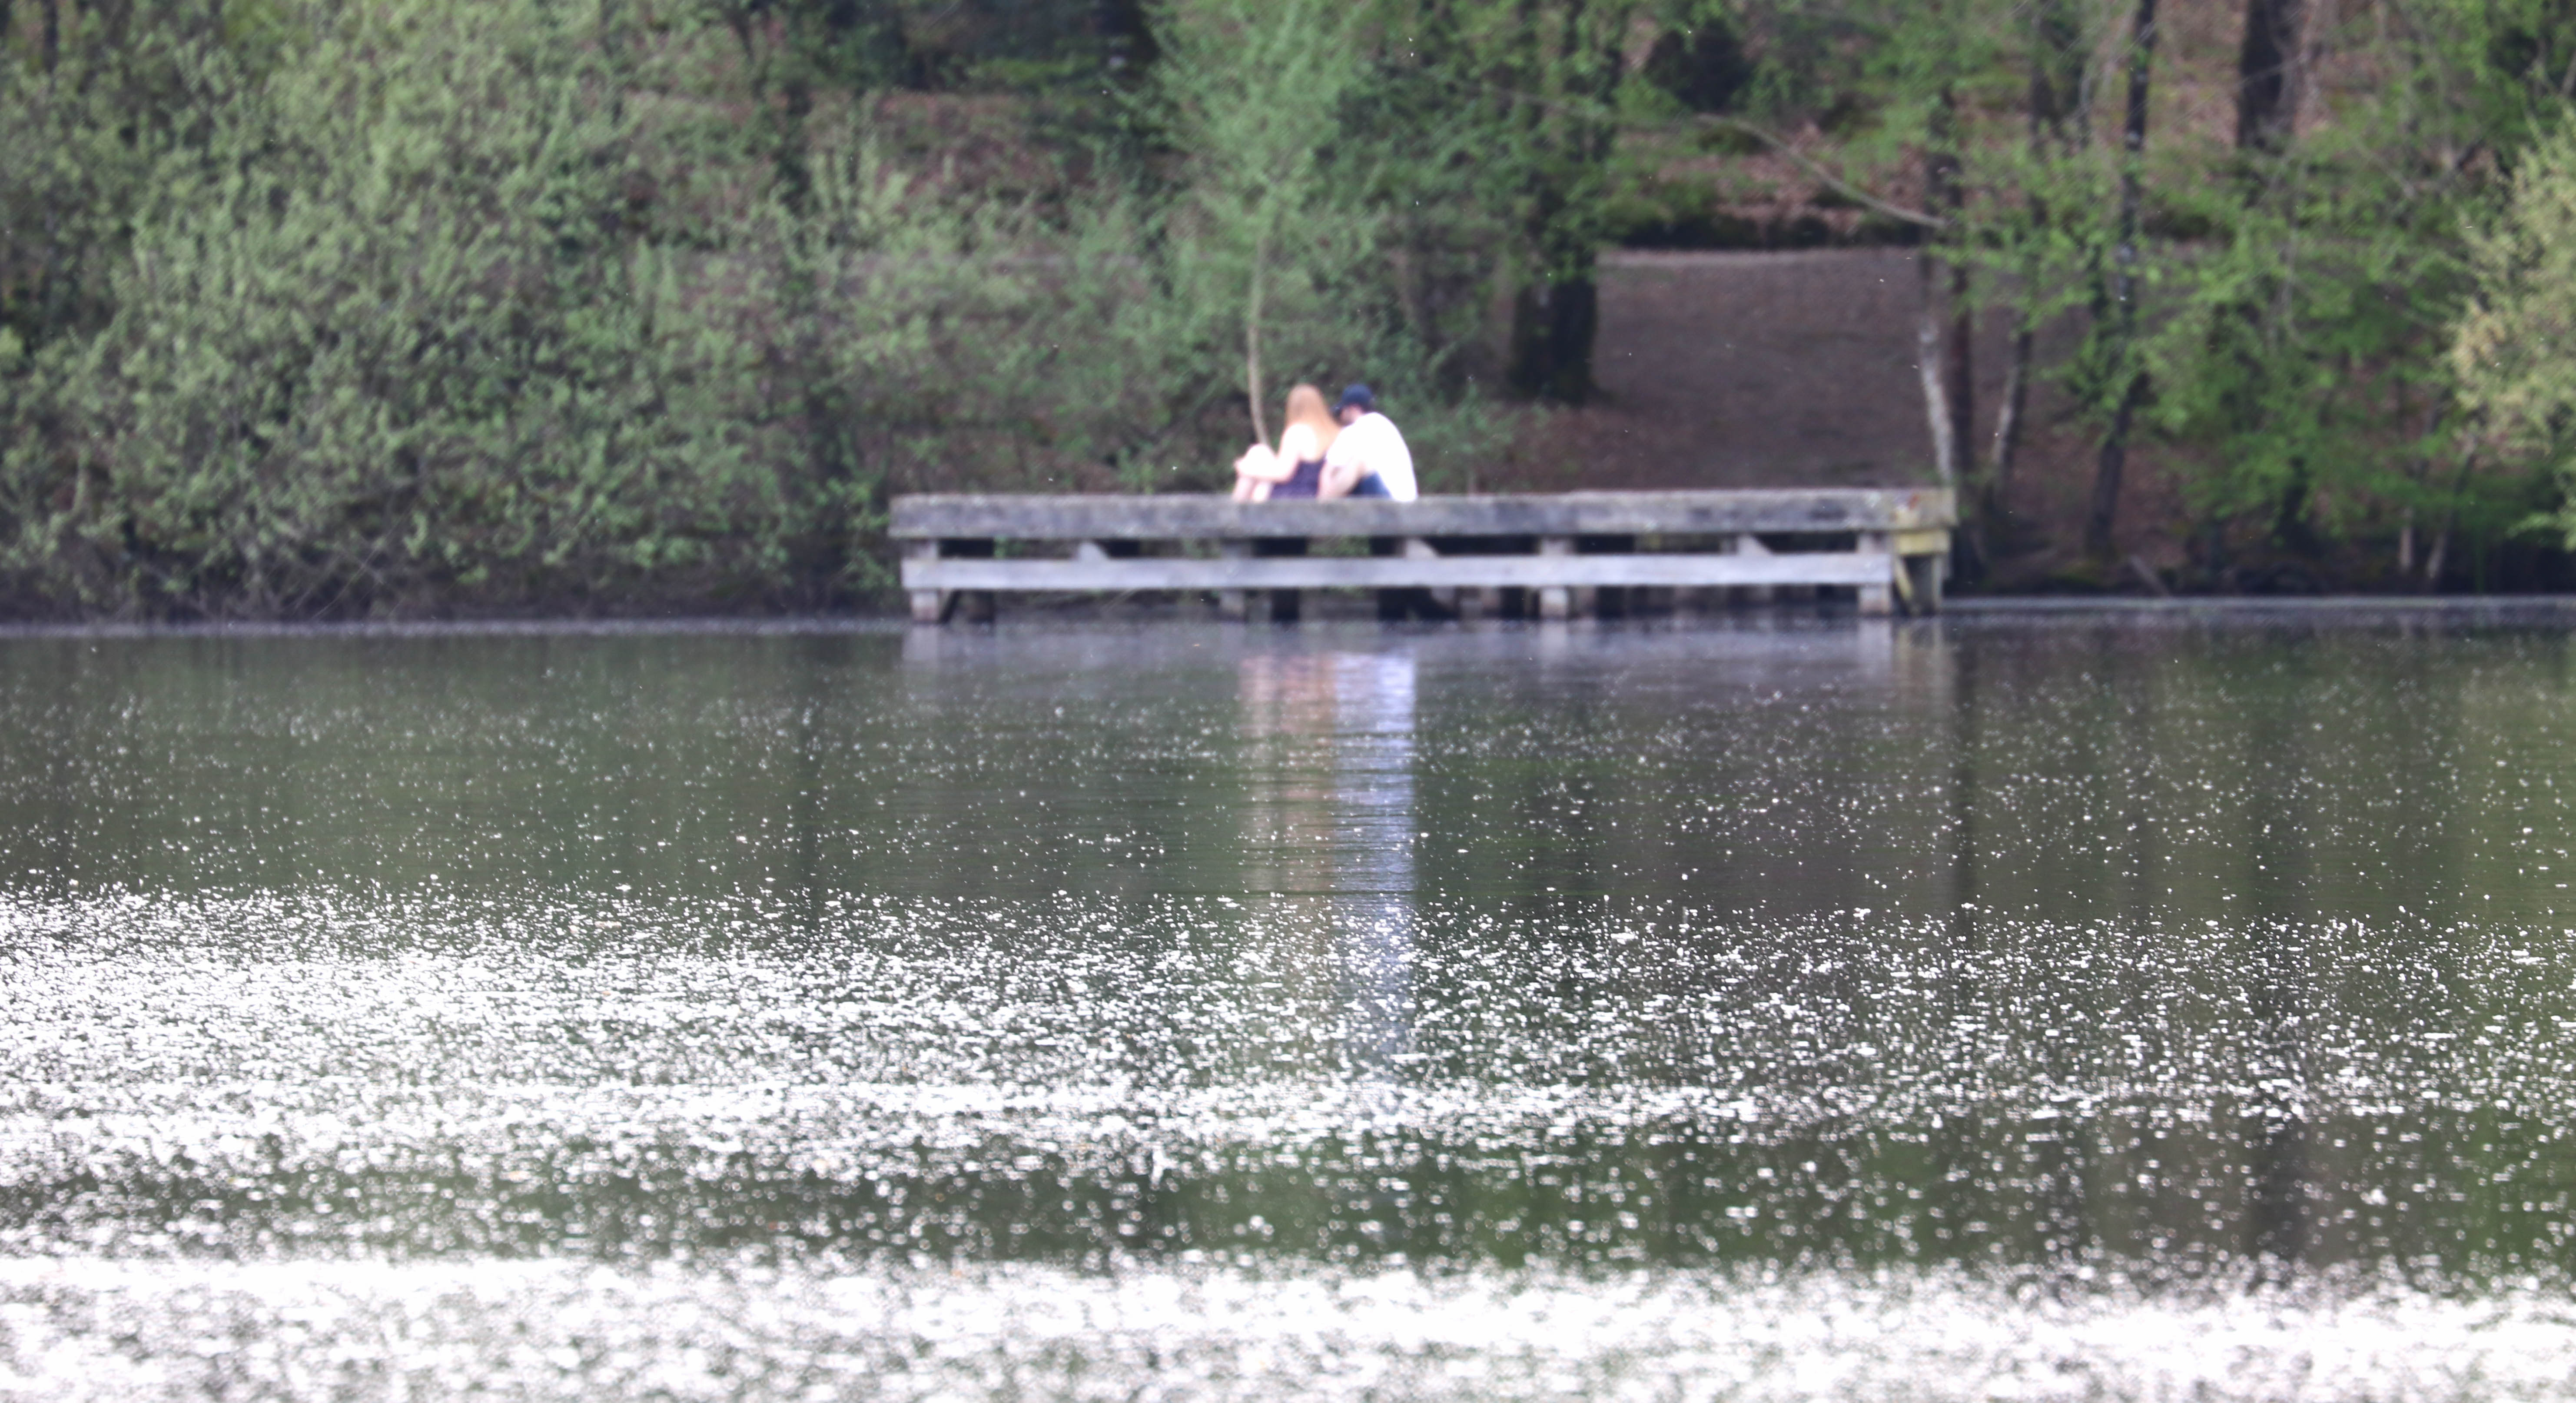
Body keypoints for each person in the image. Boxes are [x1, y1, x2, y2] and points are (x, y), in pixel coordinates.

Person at [1232, 385, 1340, 502]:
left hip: (1291, 497)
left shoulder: (1297, 431)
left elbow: (1283, 473)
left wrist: (1247, 470)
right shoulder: (1335, 433)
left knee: (1257, 454)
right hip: (1314, 494)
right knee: (1260, 452)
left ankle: (1232, 512)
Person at [1320, 384, 1417, 502]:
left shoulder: (1354, 430)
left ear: (1353, 409)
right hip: (1408, 505)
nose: (1340, 416)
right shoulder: (1385, 425)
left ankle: (1321, 510)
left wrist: (1322, 500)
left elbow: (1327, 473)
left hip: (1391, 505)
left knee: (1358, 463)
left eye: (1343, 410)